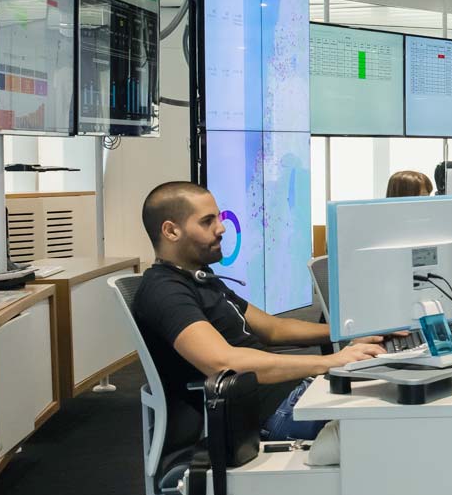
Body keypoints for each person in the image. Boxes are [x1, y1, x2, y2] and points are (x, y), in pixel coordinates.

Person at [129, 181, 388, 441]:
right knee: (398, 412)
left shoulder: (199, 278)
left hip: (289, 393)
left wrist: (352, 332)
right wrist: (330, 362)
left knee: (397, 389)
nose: (221, 228)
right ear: (171, 231)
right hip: (269, 412)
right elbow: (223, 363)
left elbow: (274, 329)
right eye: (207, 221)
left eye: (218, 218)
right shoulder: (165, 291)